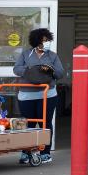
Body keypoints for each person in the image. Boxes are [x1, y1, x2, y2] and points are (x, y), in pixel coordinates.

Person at [13, 27, 64, 164]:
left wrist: (51, 70)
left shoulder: (52, 55)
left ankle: (45, 153)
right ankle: (26, 152)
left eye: (47, 41)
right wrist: (31, 70)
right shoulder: (26, 54)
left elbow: (60, 73)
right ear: (36, 42)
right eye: (43, 41)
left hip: (48, 95)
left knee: (45, 123)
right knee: (27, 124)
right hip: (26, 95)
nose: (46, 43)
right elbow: (16, 69)